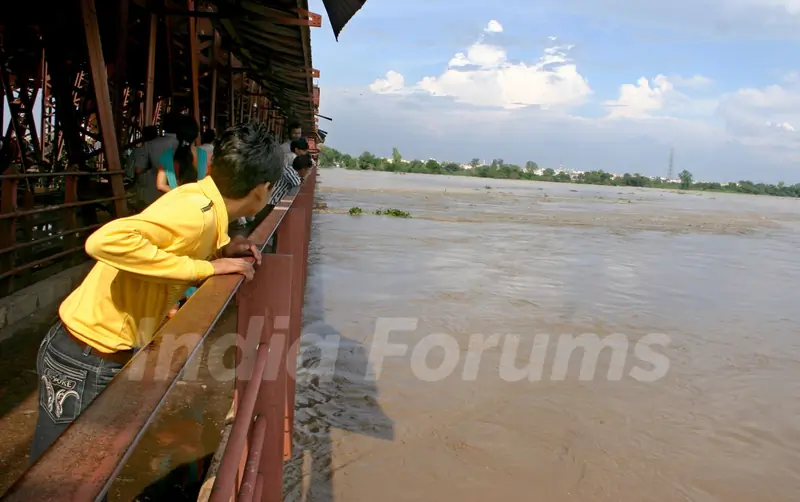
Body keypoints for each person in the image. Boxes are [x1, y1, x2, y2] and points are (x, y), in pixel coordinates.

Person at [29, 121, 284, 464]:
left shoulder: (201, 199)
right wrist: (205, 269)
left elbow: (179, 241)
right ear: (262, 189)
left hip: (88, 349)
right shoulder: (196, 212)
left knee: (78, 465)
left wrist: (224, 249)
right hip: (86, 355)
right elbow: (104, 241)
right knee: (59, 474)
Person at [131, 112, 181, 209]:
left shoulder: (150, 145)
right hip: (180, 195)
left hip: (154, 196)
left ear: (163, 126)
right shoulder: (187, 145)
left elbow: (138, 169)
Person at [155, 115, 208, 194]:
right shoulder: (204, 155)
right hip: (199, 202)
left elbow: (160, 185)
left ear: (177, 136)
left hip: (176, 203)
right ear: (196, 135)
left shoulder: (167, 155)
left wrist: (180, 193)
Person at [265, 138, 308, 212]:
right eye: (304, 150)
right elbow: (297, 183)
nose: (305, 153)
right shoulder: (293, 158)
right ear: (297, 149)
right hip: (273, 200)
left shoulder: (288, 157)